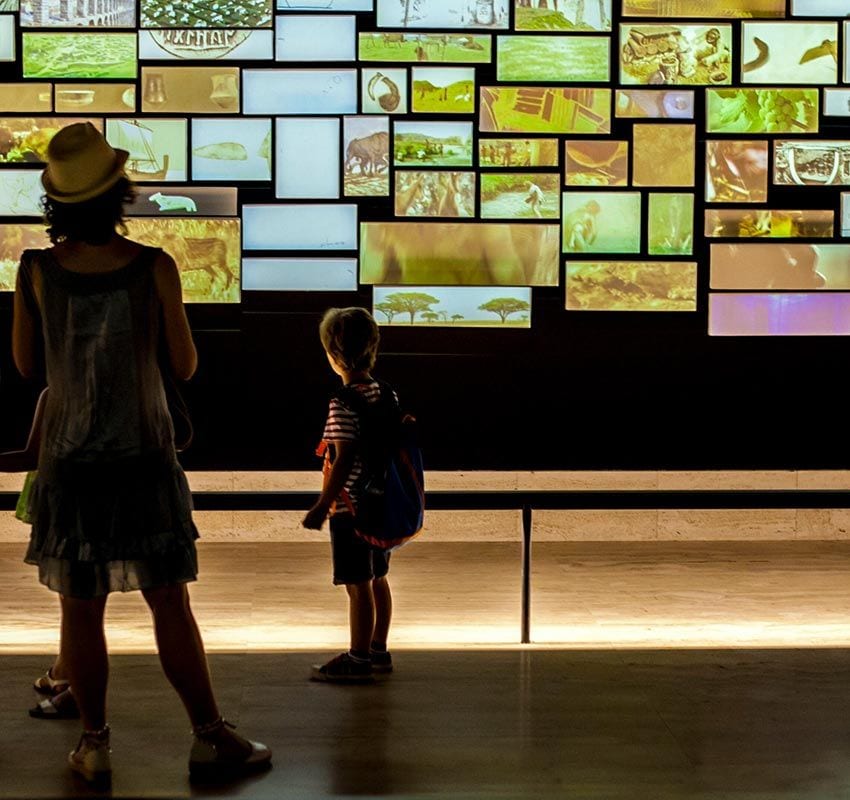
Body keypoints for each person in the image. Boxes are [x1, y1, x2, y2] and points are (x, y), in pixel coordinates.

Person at [12, 122, 271, 783]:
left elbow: (24, 363)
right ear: (119, 192)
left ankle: (94, 744)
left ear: (57, 203)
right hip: (144, 458)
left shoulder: (36, 270)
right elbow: (184, 365)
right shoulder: (155, 266)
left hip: (70, 465)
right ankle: (210, 734)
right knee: (169, 602)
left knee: (79, 609)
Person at [302, 307, 395, 684]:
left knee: (358, 586)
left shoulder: (342, 402)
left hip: (351, 507)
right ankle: (378, 650)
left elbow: (342, 458)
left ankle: (357, 659)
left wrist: (323, 504)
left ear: (334, 355)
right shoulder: (386, 392)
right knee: (378, 578)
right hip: (381, 503)